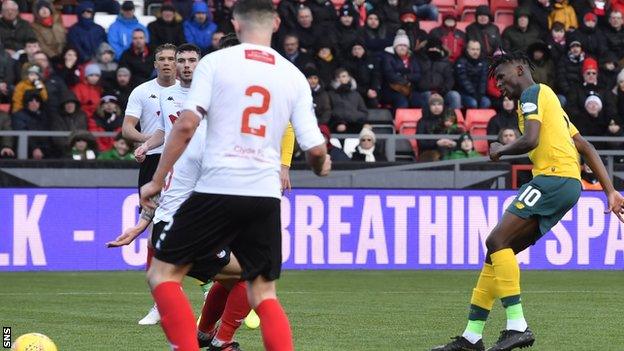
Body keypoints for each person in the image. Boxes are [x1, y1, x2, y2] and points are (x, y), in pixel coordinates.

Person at [139, 2, 330, 351]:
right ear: (275, 23)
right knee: (263, 292)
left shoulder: (215, 63)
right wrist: (321, 167)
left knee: (163, 274)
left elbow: (185, 125)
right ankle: (217, 339)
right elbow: (316, 151)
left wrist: (155, 179)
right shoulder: (293, 75)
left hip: (218, 188)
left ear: (235, 24)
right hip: (265, 196)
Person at [430, 51, 624, 351]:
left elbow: (531, 139)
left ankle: (517, 326)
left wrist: (500, 150)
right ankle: (471, 336)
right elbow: (584, 145)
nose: (499, 85)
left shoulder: (532, 94)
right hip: (567, 184)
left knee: (496, 240)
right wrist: (610, 190)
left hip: (553, 178)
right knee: (496, 252)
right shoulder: (551, 102)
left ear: (519, 69)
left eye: (501, 77)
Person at [121, 43, 177, 325]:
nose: (167, 63)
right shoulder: (142, 91)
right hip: (153, 163)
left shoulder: (191, 93)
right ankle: (161, 304)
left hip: (185, 165)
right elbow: (127, 128)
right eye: (162, 59)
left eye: (172, 59)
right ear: (155, 63)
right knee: (156, 231)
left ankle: (212, 291)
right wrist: (146, 144)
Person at [455, 40, 490, 108]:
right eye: (473, 49)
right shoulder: (461, 61)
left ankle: (481, 118)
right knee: (472, 103)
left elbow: (483, 80)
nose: (475, 52)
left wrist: (480, 94)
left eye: (477, 49)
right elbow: (463, 80)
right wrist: (473, 93)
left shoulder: (483, 62)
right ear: (467, 50)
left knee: (486, 102)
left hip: (478, 94)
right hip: (464, 93)